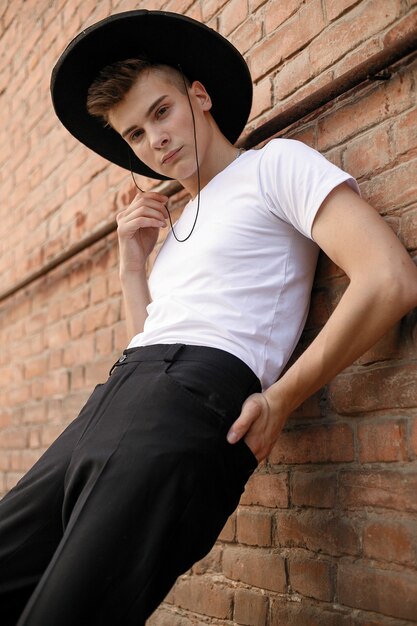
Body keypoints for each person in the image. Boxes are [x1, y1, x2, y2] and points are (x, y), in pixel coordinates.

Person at [1, 9, 416, 626]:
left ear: (199, 96)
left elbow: (389, 280)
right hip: (110, 403)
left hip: (189, 409)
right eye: (135, 134)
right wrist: (132, 264)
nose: (154, 140)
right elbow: (150, 337)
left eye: (161, 112)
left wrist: (281, 398)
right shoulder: (171, 235)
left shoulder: (274, 166)